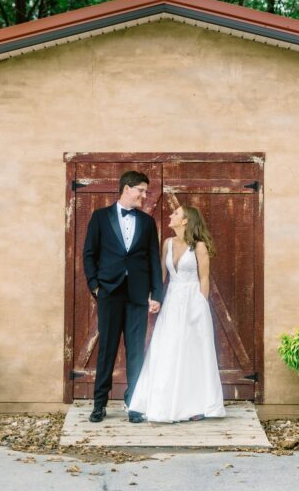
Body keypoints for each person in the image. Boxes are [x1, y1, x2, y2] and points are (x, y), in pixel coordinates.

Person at [129, 205, 226, 422]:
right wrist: (155, 298)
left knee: (193, 351)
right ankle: (161, 400)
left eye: (176, 213)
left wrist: (201, 305)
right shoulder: (167, 244)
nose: (171, 215)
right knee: (167, 348)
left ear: (185, 221)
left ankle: (196, 405)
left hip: (193, 301)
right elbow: (161, 275)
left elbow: (204, 278)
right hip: (172, 300)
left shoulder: (199, 246)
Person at [83, 170, 163, 424]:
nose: (143, 195)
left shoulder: (147, 222)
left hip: (138, 295)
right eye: (140, 190)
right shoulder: (100, 217)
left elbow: (153, 259)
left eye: (145, 191)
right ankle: (99, 404)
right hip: (109, 292)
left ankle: (134, 403)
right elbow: (89, 254)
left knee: (136, 350)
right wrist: (95, 286)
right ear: (126, 188)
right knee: (106, 349)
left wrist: (156, 293)